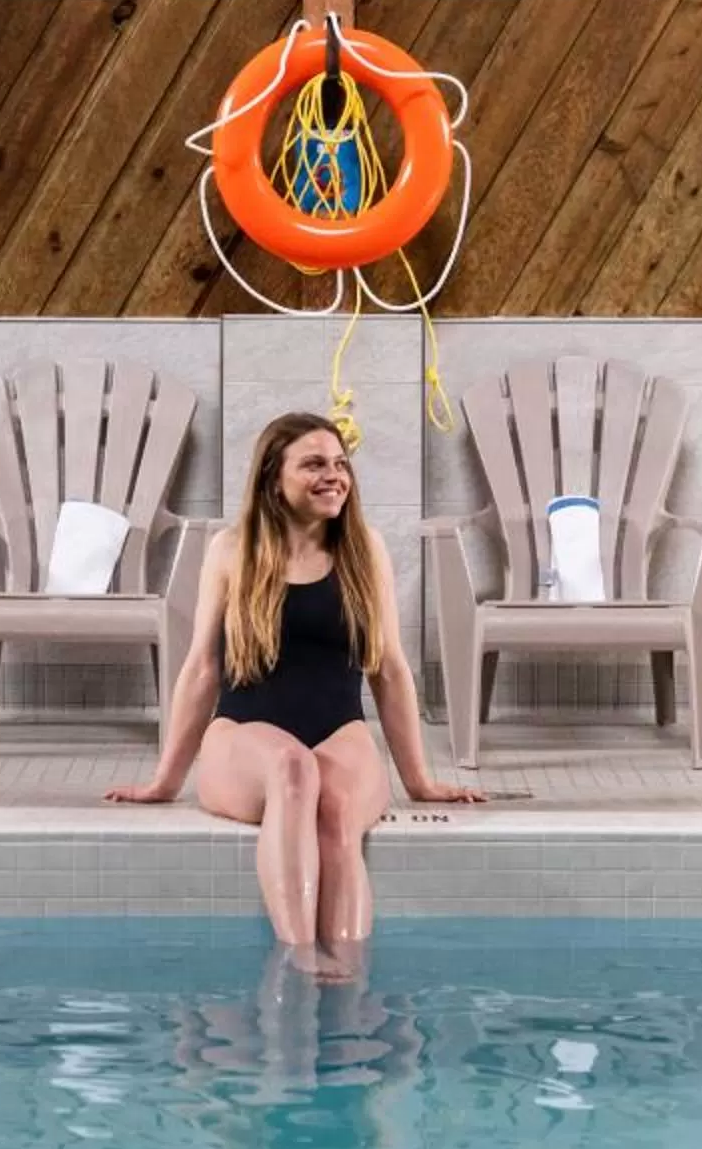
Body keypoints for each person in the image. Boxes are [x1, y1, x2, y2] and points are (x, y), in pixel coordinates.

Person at [109, 412, 483, 972]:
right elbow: (202, 671)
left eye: (340, 465)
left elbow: (389, 670)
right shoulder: (232, 550)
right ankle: (300, 957)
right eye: (313, 464)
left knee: (335, 812)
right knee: (292, 770)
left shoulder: (364, 549)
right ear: (272, 478)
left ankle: (349, 972)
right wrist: (165, 781)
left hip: (339, 731)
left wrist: (420, 782)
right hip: (243, 737)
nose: (333, 476)